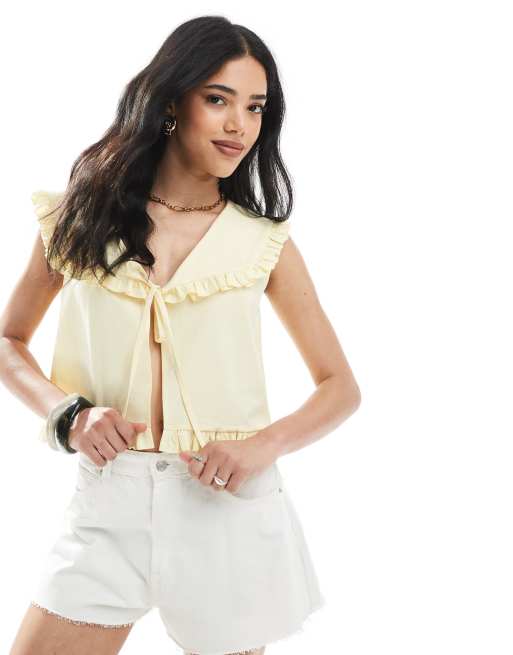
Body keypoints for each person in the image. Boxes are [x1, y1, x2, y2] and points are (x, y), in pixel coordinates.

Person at [4, 15, 361, 655]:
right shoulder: (76, 218)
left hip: (226, 508)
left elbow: (340, 387)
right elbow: (9, 341)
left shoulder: (263, 243)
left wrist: (259, 447)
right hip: (108, 505)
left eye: (255, 107)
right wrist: (69, 415)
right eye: (218, 99)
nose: (239, 125)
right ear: (171, 102)